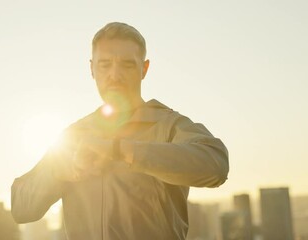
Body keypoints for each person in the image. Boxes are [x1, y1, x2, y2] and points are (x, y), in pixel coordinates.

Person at [11, 22, 229, 240]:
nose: (115, 75)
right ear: (91, 69)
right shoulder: (73, 135)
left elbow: (216, 165)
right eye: (105, 64)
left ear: (144, 69)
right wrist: (62, 170)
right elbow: (21, 207)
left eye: (127, 65)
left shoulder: (168, 125)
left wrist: (120, 150)